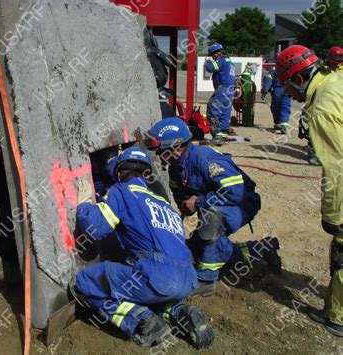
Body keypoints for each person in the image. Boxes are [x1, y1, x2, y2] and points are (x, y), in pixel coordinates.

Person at [71, 147, 215, 349]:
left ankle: (144, 321)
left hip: (160, 277)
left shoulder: (122, 190)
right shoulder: (164, 204)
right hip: (186, 279)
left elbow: (96, 228)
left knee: (85, 281)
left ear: (120, 173)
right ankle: (181, 312)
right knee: (154, 292)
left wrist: (85, 204)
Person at [146, 117, 282, 296]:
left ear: (176, 149)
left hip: (241, 203)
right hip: (216, 205)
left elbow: (235, 191)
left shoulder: (205, 159)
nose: (159, 156)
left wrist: (199, 202)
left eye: (161, 151)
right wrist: (184, 205)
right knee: (198, 250)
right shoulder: (176, 167)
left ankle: (206, 279)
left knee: (211, 221)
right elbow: (178, 190)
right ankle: (263, 248)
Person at [276, 44, 343, 337]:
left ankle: (337, 318)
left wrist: (334, 216)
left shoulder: (321, 110)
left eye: (287, 86)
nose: (287, 94)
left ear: (300, 80)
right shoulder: (336, 80)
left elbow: (339, 168)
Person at [205, 43, 236, 146]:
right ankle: (222, 134)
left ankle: (217, 134)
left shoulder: (221, 60)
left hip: (223, 88)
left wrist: (208, 62)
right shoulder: (229, 61)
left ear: (217, 53)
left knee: (213, 108)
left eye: (212, 55)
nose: (213, 57)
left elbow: (211, 68)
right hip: (230, 90)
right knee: (225, 111)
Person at [261, 67, 292, 134]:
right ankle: (283, 124)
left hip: (277, 91)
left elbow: (268, 80)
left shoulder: (273, 69)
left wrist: (264, 91)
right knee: (285, 106)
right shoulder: (290, 68)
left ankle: (278, 123)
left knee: (276, 107)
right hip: (288, 90)